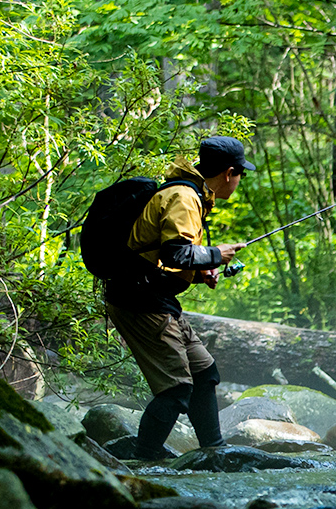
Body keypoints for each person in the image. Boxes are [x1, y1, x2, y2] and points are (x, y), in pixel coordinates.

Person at [105, 136, 251, 460]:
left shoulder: (189, 194)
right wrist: (215, 254)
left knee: (204, 372)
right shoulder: (184, 197)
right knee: (176, 388)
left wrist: (202, 271)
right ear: (229, 173)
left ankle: (214, 452)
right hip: (139, 299)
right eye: (241, 174)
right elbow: (175, 252)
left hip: (154, 295)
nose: (240, 180)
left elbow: (163, 253)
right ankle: (144, 461)